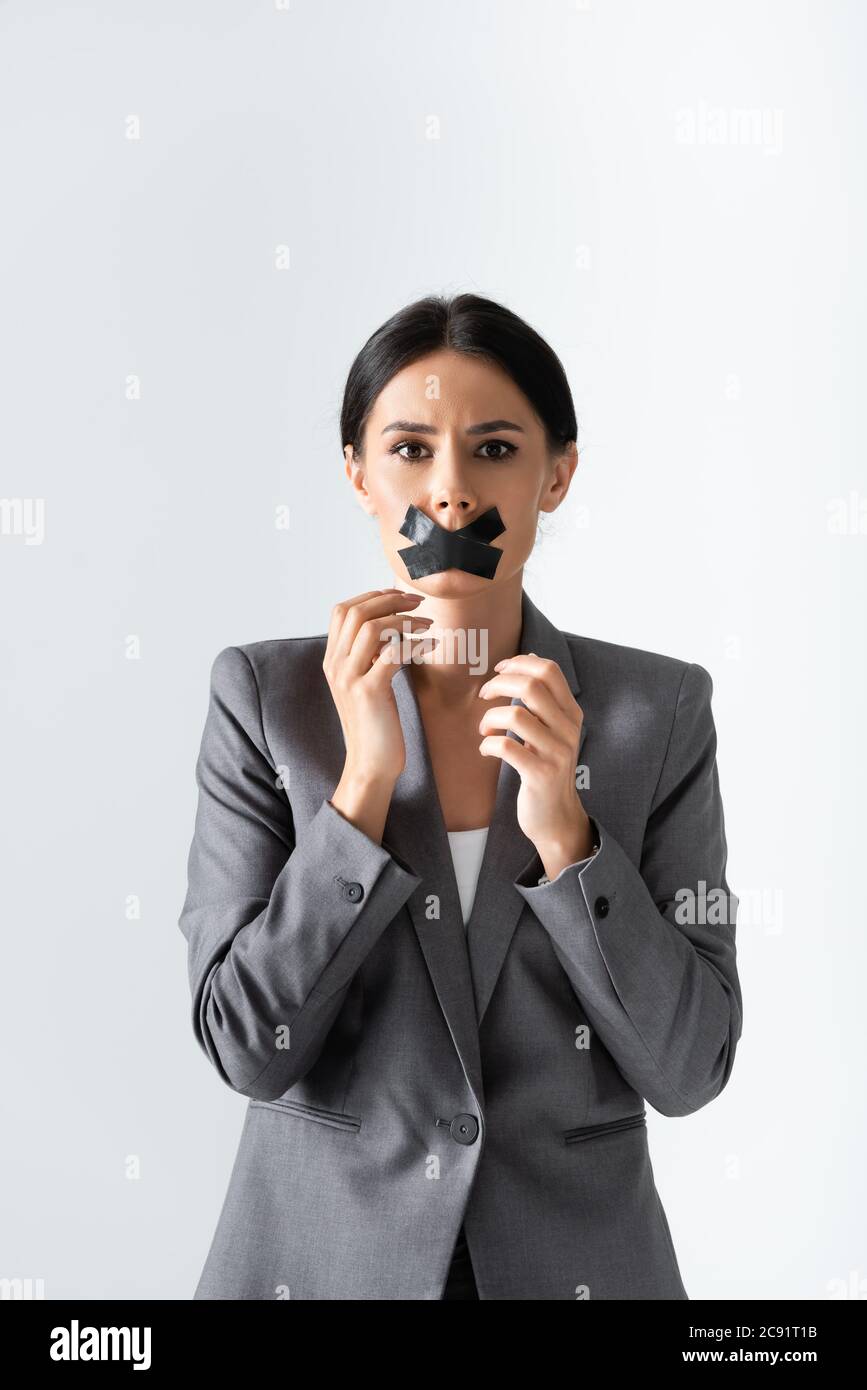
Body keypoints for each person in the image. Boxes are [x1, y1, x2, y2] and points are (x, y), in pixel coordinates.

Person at [178, 292, 742, 1300]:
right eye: (407, 448)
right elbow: (246, 1046)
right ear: (357, 472)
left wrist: (571, 843)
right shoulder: (266, 702)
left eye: (491, 449)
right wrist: (358, 792)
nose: (448, 492)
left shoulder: (657, 713)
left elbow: (691, 1067)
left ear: (555, 473)